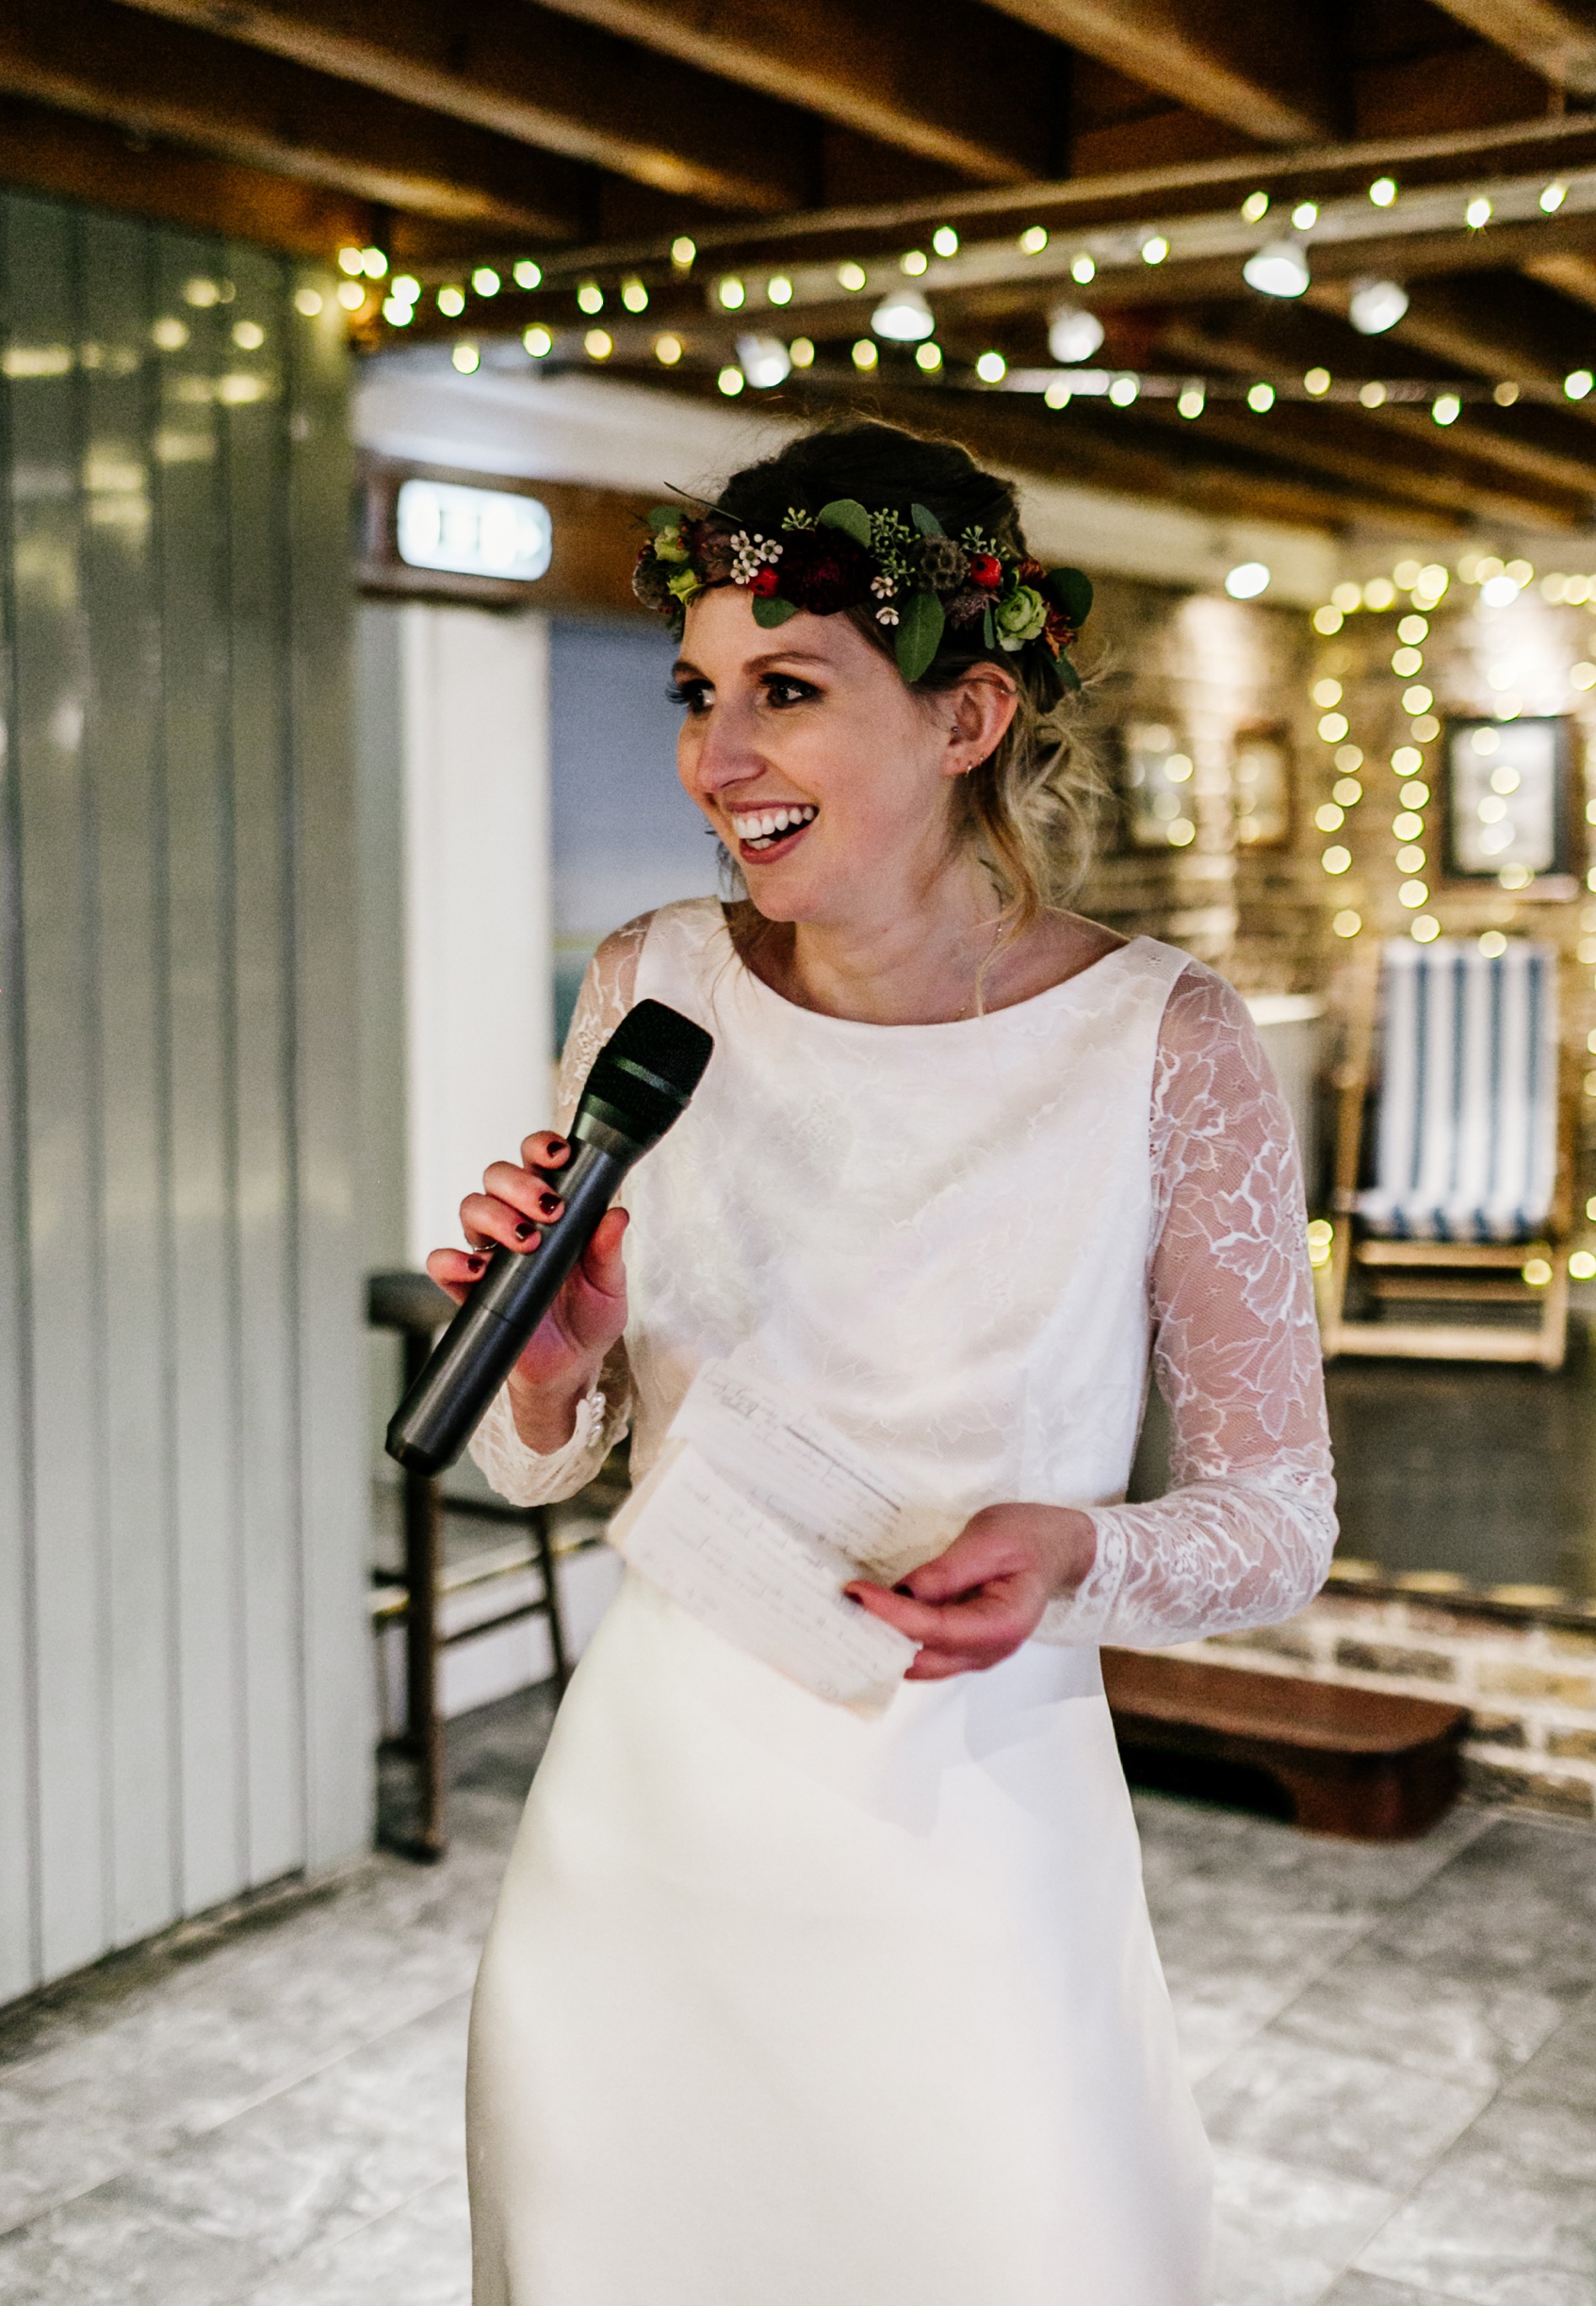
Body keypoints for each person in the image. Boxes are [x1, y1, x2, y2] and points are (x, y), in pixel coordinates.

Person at [432, 419, 1336, 2306]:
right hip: (645, 1845)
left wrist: (1076, 1551)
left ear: (967, 712)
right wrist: (549, 1362)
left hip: (974, 1850)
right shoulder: (646, 987)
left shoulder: (1160, 1045)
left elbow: (1278, 1522)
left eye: (787, 689)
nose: (715, 757)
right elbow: (539, 1466)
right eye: (698, 694)